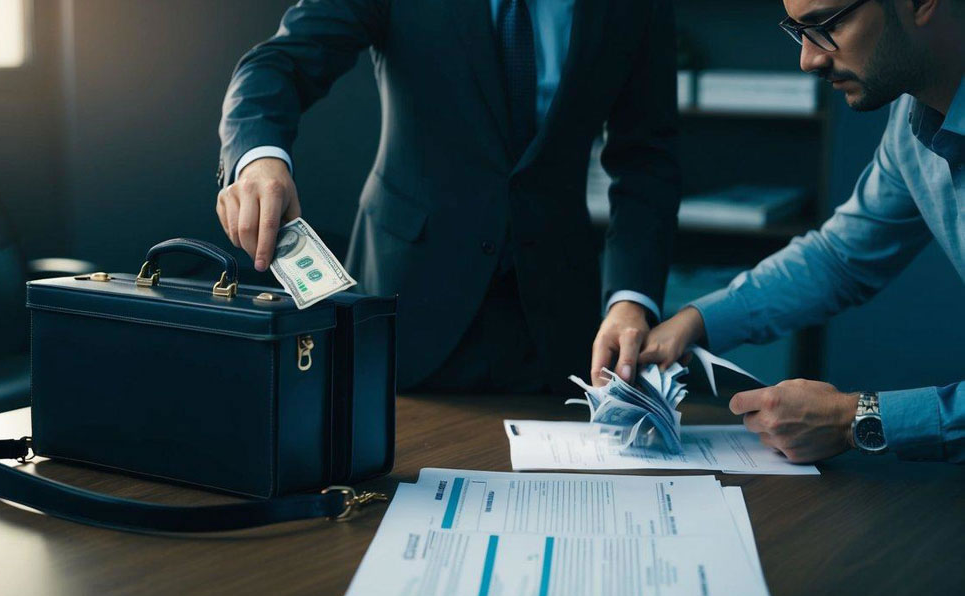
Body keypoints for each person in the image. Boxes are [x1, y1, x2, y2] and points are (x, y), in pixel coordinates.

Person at [216, 0, 680, 394]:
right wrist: (259, 159)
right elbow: (278, 63)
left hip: (558, 328)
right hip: (407, 308)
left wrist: (630, 298)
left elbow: (647, 159)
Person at [640, 0, 965, 463]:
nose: (809, 59)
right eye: (799, 31)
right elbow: (840, 258)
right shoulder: (911, 124)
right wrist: (695, 323)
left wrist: (857, 419)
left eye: (828, 25)